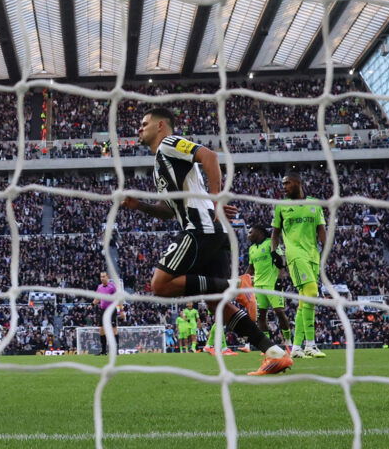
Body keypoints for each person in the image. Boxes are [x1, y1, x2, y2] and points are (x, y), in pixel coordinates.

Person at [122, 107, 291, 376]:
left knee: (160, 285)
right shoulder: (162, 164)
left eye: (144, 124)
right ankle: (275, 353)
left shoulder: (169, 143)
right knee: (217, 305)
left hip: (201, 228)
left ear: (161, 126)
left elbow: (209, 156)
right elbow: (168, 211)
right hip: (212, 230)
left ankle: (237, 285)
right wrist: (139, 205)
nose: (139, 129)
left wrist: (215, 200)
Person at [271, 170, 327, 359]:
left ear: (298, 183)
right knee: (312, 293)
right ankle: (310, 344)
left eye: (287, 183)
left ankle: (296, 347)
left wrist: (326, 248)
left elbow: (321, 229)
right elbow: (275, 233)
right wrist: (275, 252)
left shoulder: (314, 204)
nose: (284, 187)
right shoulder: (281, 206)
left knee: (305, 300)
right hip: (295, 254)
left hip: (313, 255)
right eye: (283, 184)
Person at [245, 225, 292, 349]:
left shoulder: (271, 243)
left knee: (279, 312)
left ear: (259, 231)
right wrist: (242, 280)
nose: (248, 235)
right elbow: (251, 268)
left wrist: (280, 278)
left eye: (250, 232)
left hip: (272, 284)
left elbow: (281, 259)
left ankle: (288, 341)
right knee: (261, 315)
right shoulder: (251, 249)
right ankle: (267, 346)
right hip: (258, 285)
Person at [92, 271, 118, 355]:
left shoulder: (113, 286)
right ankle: (103, 351)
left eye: (103, 276)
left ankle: (116, 350)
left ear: (107, 277)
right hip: (102, 310)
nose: (102, 278)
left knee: (113, 329)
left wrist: (120, 310)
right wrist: (92, 304)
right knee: (101, 330)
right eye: (101, 277)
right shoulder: (99, 287)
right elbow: (97, 298)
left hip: (111, 310)